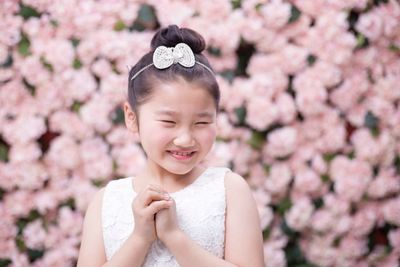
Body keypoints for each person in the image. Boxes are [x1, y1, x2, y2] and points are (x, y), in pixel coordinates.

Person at [77, 25, 264, 267]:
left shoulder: (229, 190)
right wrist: (139, 239)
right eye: (169, 122)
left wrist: (174, 237)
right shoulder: (107, 201)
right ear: (132, 118)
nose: (185, 139)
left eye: (202, 122)